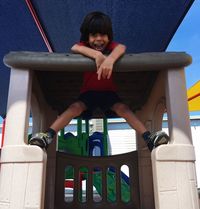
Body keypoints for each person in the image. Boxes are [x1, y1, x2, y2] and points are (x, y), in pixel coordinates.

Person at [29, 11, 169, 151]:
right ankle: (47, 135)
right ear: (87, 37)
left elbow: (122, 48)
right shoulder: (84, 46)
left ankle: (148, 138)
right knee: (74, 108)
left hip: (108, 93)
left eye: (103, 34)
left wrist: (110, 60)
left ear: (109, 36)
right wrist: (97, 55)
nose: (99, 39)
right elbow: (75, 47)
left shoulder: (112, 48)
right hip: (88, 93)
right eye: (94, 35)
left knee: (123, 109)